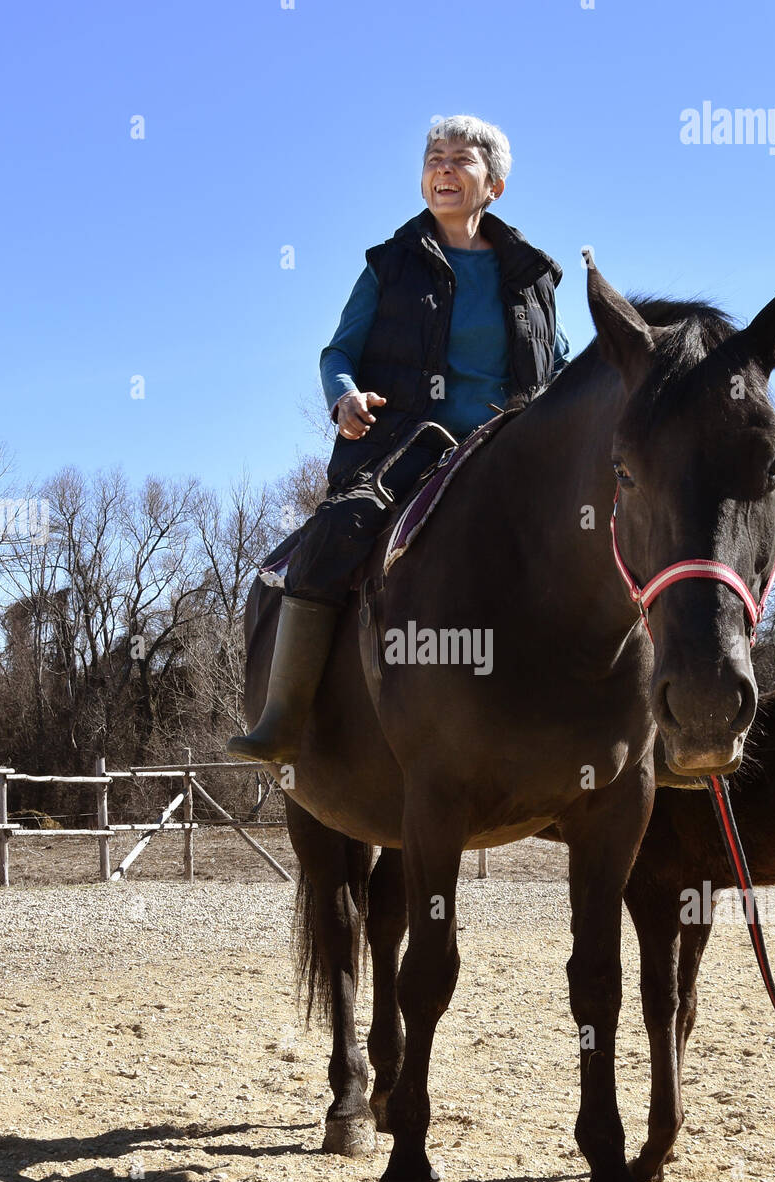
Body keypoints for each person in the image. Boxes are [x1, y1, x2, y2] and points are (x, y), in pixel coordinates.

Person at [228, 114, 569, 764]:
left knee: (612, 532)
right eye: (434, 157)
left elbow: (559, 364)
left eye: (460, 159)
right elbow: (339, 352)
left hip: (511, 455)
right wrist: (345, 397)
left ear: (493, 185)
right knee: (337, 530)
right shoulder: (390, 267)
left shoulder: (533, 280)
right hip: (406, 449)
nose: (443, 167)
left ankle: (645, 728)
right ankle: (284, 719)